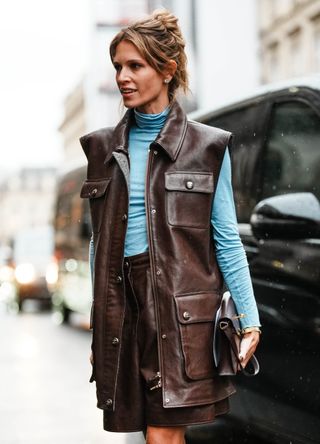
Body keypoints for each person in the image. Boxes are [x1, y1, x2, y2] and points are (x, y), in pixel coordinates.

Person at [80, 9, 261, 444]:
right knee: (145, 432)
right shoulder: (101, 148)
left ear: (167, 70)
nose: (123, 76)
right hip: (122, 309)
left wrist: (250, 318)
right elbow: (99, 242)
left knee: (162, 434)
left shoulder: (208, 147)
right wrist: (99, 316)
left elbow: (225, 238)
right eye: (118, 66)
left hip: (180, 311)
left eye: (135, 66)